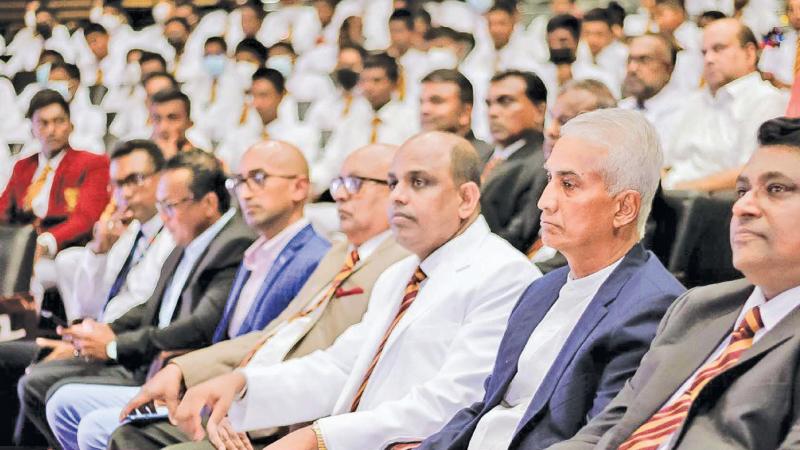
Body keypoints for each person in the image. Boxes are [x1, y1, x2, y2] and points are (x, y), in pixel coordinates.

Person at [161, 132, 539, 450]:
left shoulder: (504, 276)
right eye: (393, 183)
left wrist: (319, 436)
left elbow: (456, 402)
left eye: (419, 182)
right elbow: (341, 366)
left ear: (466, 198)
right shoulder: (401, 273)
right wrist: (243, 384)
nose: (398, 196)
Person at [413, 108, 685, 450]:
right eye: (550, 179)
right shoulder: (541, 289)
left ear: (624, 208)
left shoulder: (653, 307)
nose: (545, 201)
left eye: (568, 184)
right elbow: (486, 409)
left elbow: (599, 441)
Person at [109, 143, 411, 450]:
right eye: (339, 183)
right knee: (127, 434)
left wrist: (250, 398)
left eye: (355, 183)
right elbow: (274, 335)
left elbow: (341, 367)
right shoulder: (339, 254)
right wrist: (184, 369)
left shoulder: (399, 263)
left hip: (292, 421)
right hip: (249, 397)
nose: (340, 194)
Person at [46, 141, 331, 450]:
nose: (245, 193)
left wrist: (121, 348)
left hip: (245, 403)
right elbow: (156, 308)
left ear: (300, 187)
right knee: (60, 397)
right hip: (209, 381)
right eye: (240, 181)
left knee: (106, 427)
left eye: (259, 179)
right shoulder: (255, 248)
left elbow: (274, 347)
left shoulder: (309, 256)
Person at [548, 117, 800, 449]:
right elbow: (607, 428)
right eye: (741, 191)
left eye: (776, 189)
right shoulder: (697, 307)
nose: (743, 207)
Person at [16, 150, 255, 448]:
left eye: (170, 206)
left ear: (208, 204)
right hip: (149, 354)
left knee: (55, 395)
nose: (164, 215)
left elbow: (199, 326)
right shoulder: (189, 235)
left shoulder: (233, 243)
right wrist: (108, 331)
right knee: (45, 387)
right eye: (162, 206)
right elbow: (150, 305)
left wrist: (116, 345)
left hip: (178, 369)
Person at [0, 139, 171, 446]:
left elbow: (147, 313)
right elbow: (86, 306)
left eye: (136, 180)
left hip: (124, 351)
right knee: (7, 357)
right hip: (93, 339)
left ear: (162, 177)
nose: (126, 193)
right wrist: (99, 251)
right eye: (118, 184)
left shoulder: (172, 237)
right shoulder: (129, 233)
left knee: (35, 380)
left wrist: (88, 342)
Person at [663, 19, 787, 191]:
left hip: (716, 205)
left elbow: (753, 172)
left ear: (749, 53)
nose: (708, 59)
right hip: (673, 196)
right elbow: (669, 162)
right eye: (704, 52)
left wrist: (685, 190)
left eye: (718, 49)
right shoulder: (696, 100)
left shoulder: (766, 100)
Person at [0, 89, 110, 258]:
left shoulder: (92, 163)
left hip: (63, 250)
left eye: (59, 121)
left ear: (71, 125)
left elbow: (85, 218)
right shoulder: (22, 166)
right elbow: (3, 211)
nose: (51, 130)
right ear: (32, 129)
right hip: (18, 246)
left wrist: (45, 243)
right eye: (43, 123)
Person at [316, 53, 418, 195]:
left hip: (393, 192)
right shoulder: (352, 118)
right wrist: (314, 186)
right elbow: (331, 160)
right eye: (364, 80)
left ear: (394, 84)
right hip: (352, 191)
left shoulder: (411, 119)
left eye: (376, 81)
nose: (368, 87)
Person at [480, 70, 548, 252]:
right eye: (489, 104)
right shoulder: (481, 156)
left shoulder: (545, 164)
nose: (493, 112)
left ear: (539, 111)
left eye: (505, 101)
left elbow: (518, 237)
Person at [217, 69, 319, 172]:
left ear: (281, 95)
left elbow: (306, 173)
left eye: (263, 95)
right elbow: (221, 161)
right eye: (253, 95)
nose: (257, 103)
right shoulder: (239, 134)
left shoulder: (303, 135)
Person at [619, 34, 683, 150]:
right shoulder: (620, 109)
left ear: (668, 69)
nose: (632, 69)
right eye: (630, 60)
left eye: (644, 60)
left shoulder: (687, 112)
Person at [419, 69, 492, 162]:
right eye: (421, 102)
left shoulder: (487, 161)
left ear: (465, 112)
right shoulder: (415, 157)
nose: (424, 110)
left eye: (436, 101)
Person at [759, 0, 800, 89]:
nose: (797, 16)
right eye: (791, 10)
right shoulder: (776, 37)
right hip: (780, 95)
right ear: (787, 14)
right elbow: (765, 71)